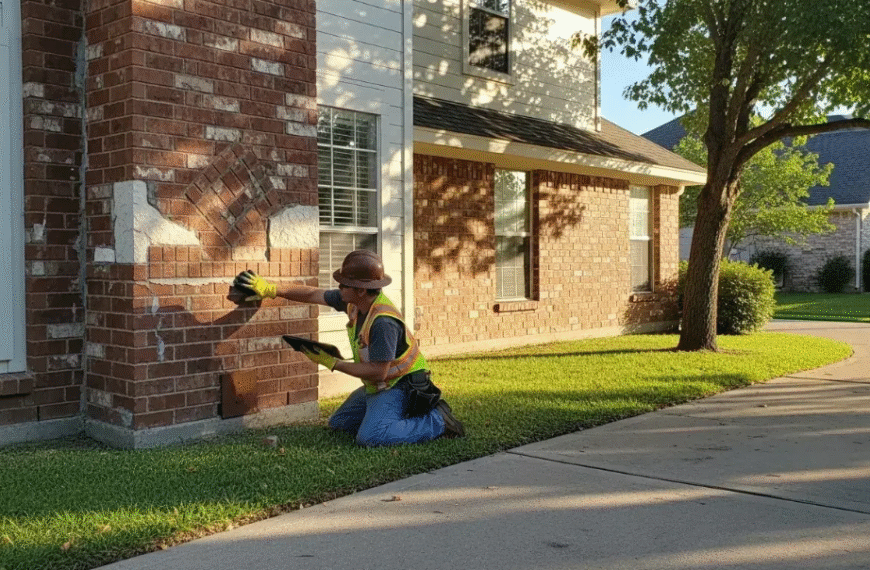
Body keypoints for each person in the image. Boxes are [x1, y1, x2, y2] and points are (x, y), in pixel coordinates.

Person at [233, 250, 465, 447]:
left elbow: (378, 372)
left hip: (400, 386)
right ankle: (390, 414)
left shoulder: (383, 322)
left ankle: (437, 421)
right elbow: (314, 294)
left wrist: (334, 363)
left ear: (361, 290)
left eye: (344, 284)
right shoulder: (353, 302)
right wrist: (271, 289)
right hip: (379, 386)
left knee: (371, 437)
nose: (339, 287)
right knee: (340, 424)